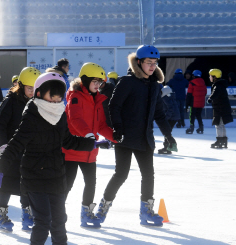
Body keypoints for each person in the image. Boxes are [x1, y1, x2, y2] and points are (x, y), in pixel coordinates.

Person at [0, 72, 98, 245]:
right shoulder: (32, 115)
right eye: (52, 96)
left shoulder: (60, 114)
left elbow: (66, 140)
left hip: (57, 175)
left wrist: (89, 143)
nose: (56, 101)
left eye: (59, 97)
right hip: (34, 176)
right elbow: (16, 144)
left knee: (59, 219)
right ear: (39, 94)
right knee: (43, 220)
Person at [95, 45, 175, 227]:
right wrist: (117, 129)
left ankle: (146, 211)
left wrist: (168, 135)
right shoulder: (127, 82)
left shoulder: (155, 85)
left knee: (148, 174)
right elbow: (114, 106)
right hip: (124, 137)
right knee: (121, 174)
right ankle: (102, 210)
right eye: (149, 63)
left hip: (145, 138)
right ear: (139, 63)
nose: (152, 66)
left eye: (155, 63)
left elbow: (159, 113)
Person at [63, 63, 115, 228]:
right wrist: (88, 135)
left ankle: (86, 214)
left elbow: (100, 125)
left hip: (89, 152)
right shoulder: (75, 96)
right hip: (72, 149)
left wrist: (115, 137)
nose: (97, 85)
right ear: (85, 80)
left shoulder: (97, 99)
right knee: (67, 184)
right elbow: (74, 119)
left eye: (99, 82)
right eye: (94, 81)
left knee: (91, 183)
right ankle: (56, 211)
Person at [0, 67, 40, 232]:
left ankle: (27, 214)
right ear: (21, 85)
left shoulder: (37, 103)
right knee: (6, 183)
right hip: (9, 149)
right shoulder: (11, 100)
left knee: (26, 183)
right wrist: (3, 144)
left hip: (27, 150)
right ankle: (1, 214)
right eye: (29, 88)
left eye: (35, 89)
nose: (32, 92)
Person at [207, 69, 233, 148]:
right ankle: (224, 141)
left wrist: (210, 98)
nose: (209, 77)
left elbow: (215, 93)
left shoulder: (217, 85)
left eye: (210, 76)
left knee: (218, 125)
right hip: (223, 107)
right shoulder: (220, 84)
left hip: (220, 108)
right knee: (221, 124)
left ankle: (219, 141)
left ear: (214, 77)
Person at [186, 70, 207, 134]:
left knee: (192, 115)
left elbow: (189, 94)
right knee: (198, 115)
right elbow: (205, 93)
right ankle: (201, 127)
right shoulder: (203, 83)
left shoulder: (191, 83)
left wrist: (187, 104)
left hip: (194, 102)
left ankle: (191, 127)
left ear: (193, 75)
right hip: (201, 103)